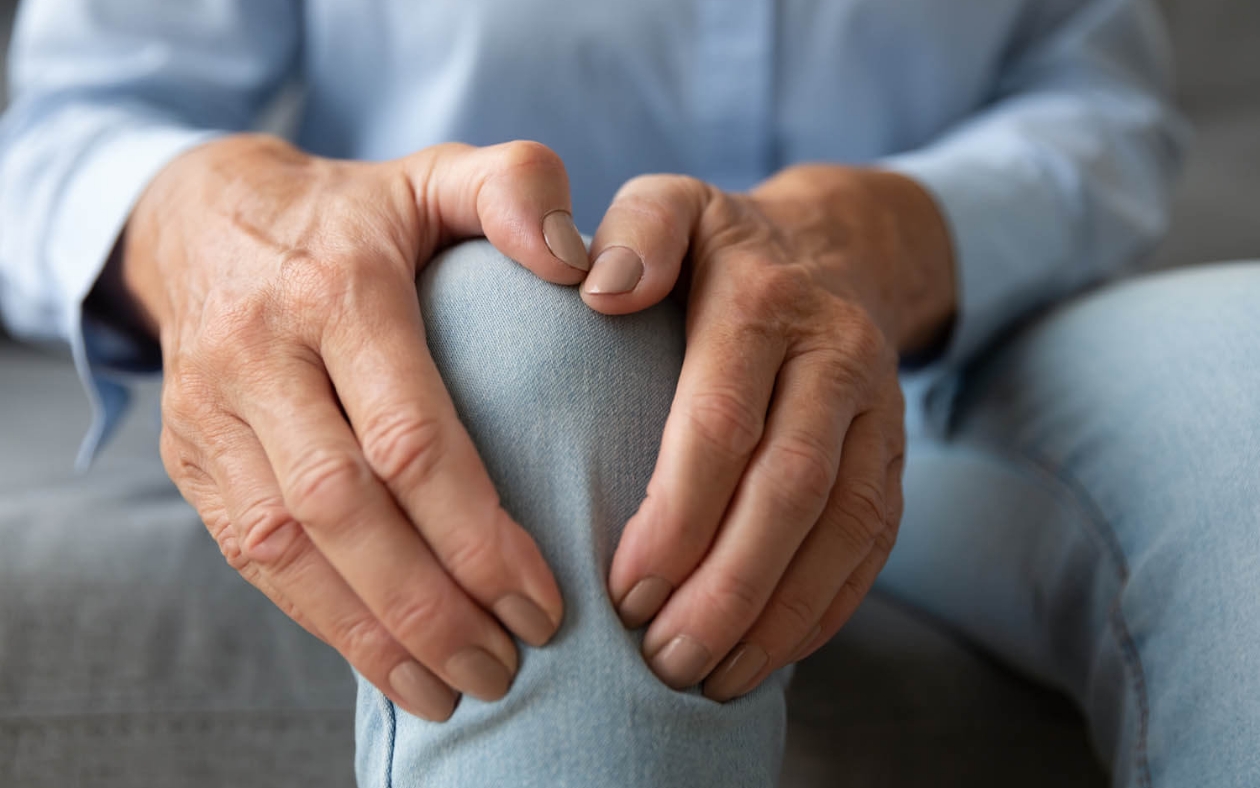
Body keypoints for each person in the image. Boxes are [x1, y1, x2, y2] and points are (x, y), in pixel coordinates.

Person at [0, 0, 1256, 786]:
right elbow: (69, 126)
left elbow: (1100, 99)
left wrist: (869, 235)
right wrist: (213, 230)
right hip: (464, 348)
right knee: (560, 358)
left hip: (964, 330)